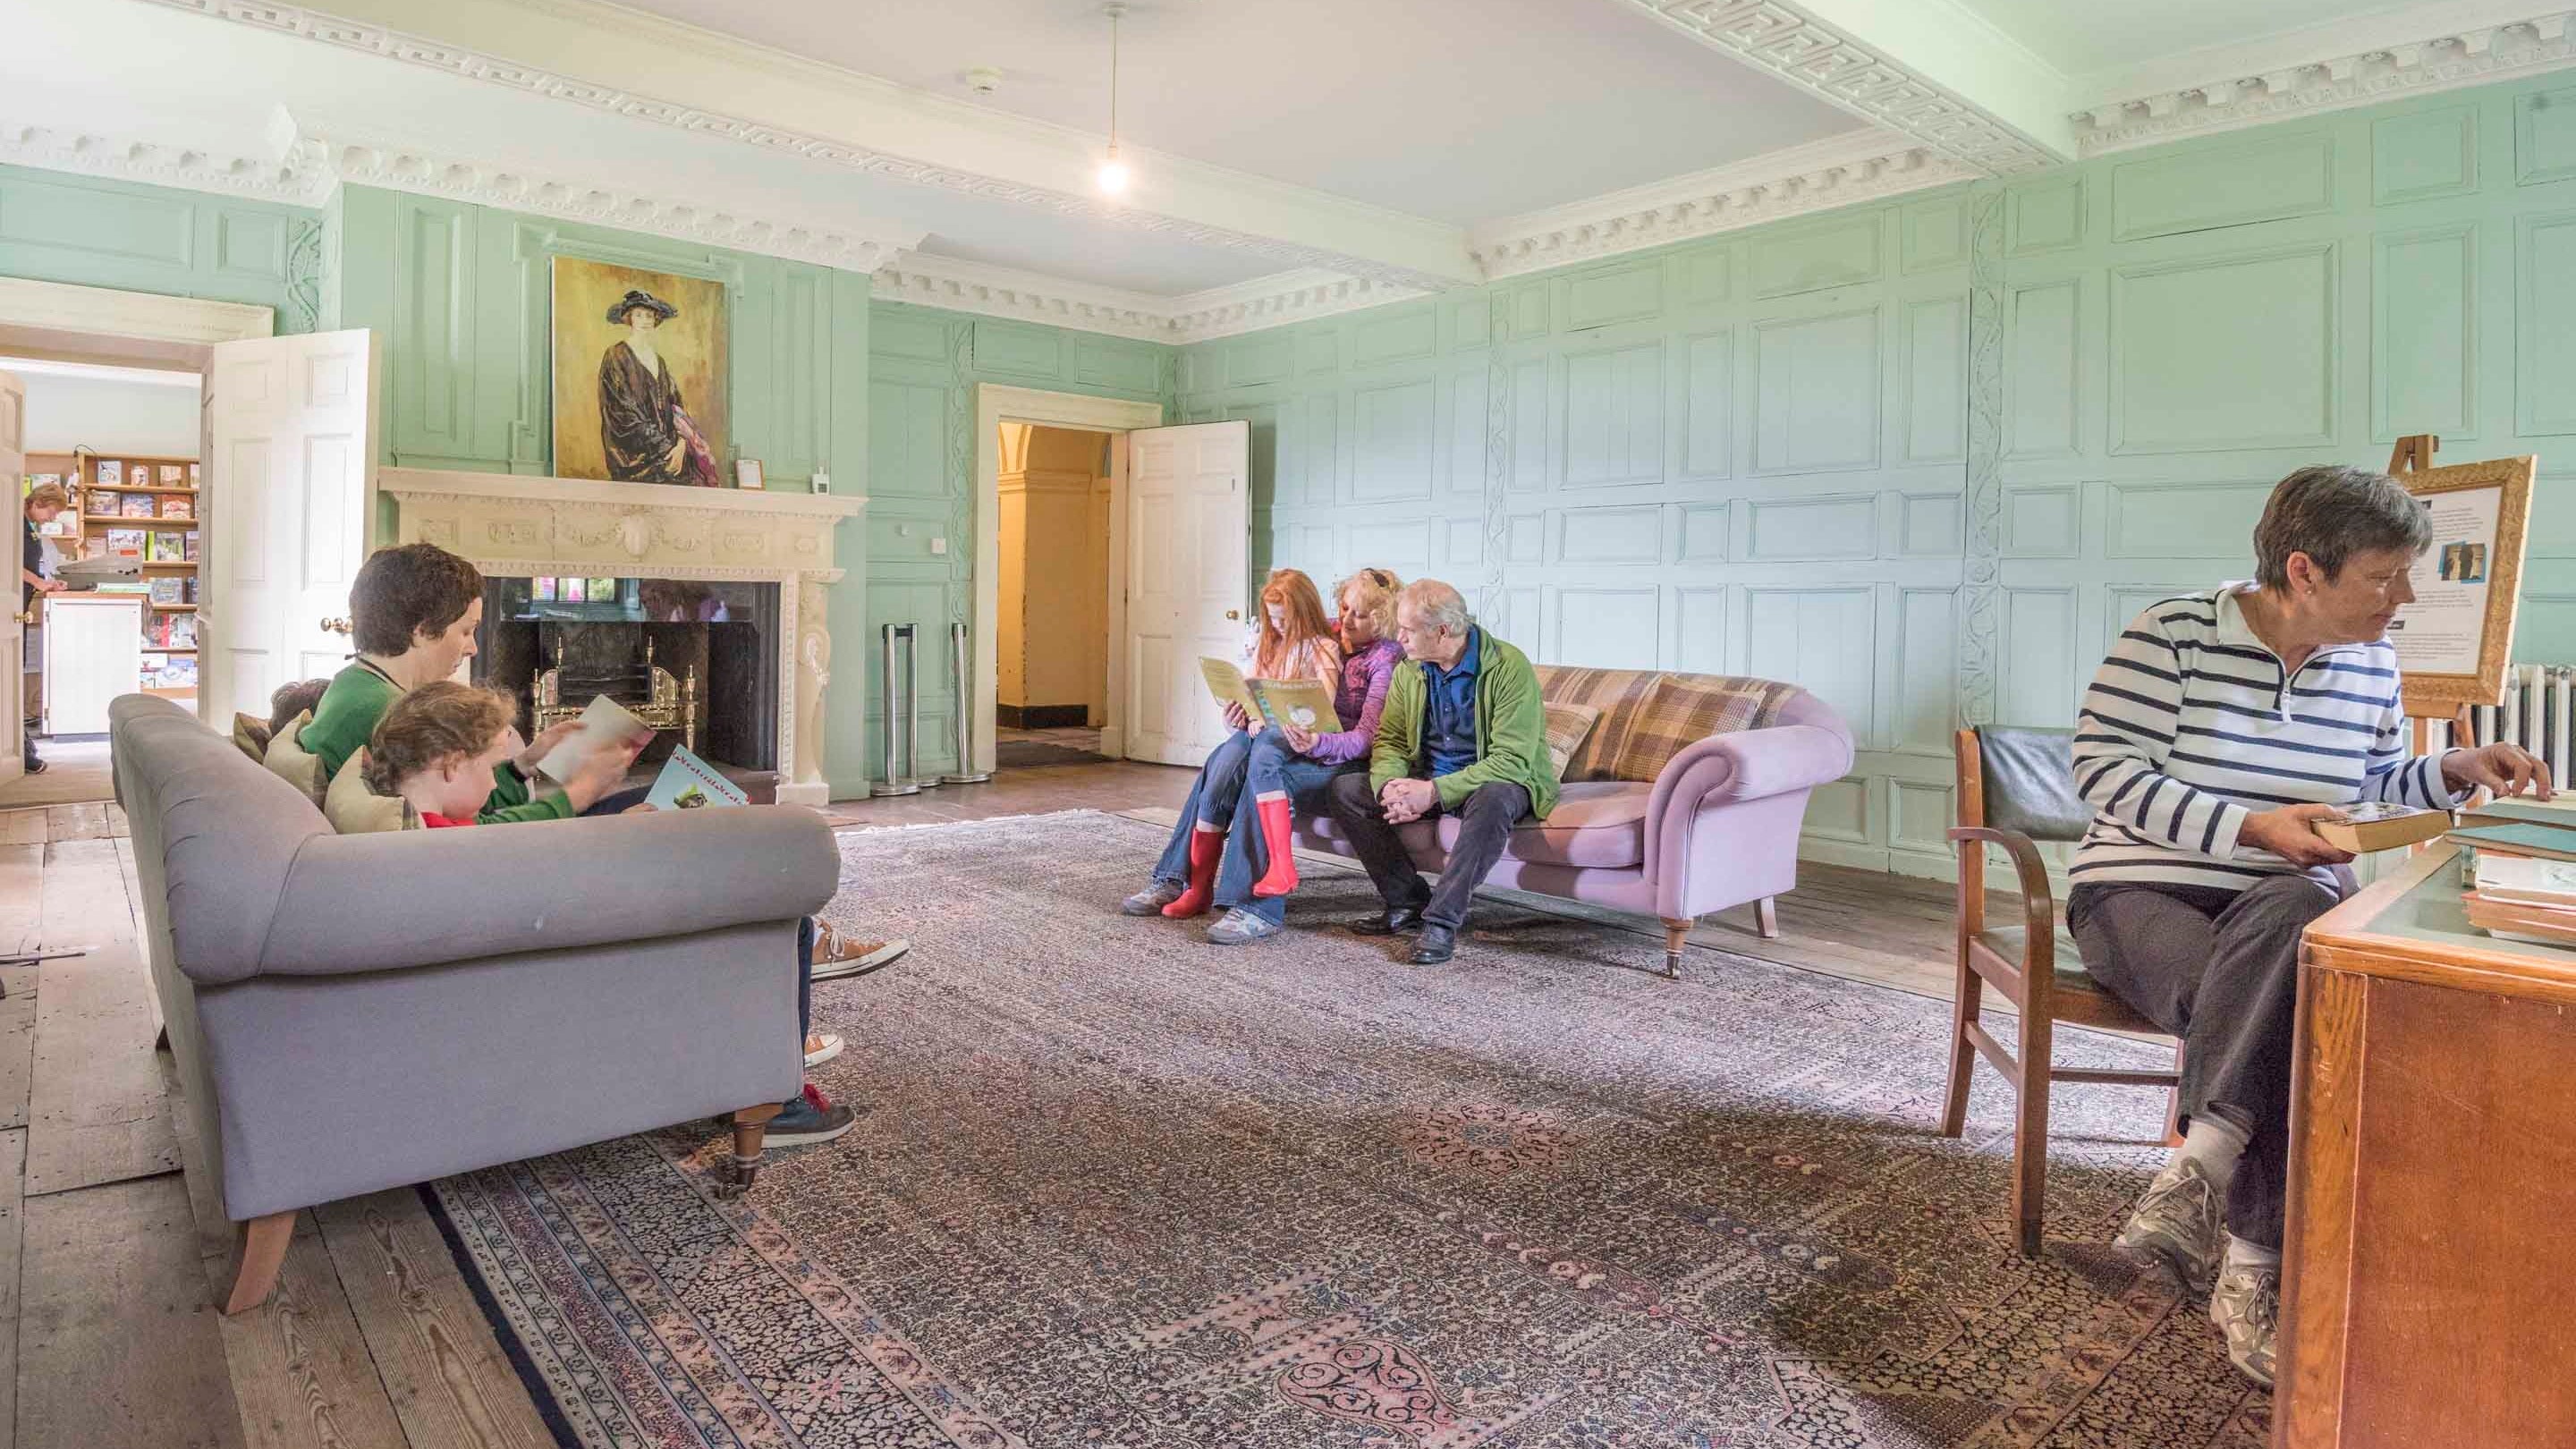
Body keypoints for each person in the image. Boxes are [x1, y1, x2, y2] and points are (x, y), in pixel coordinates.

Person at [2067, 464, 2549, 1387]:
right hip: (2139, 890)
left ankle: (2199, 1169)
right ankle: (2253, 1272)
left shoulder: (2371, 663)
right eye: (2383, 577)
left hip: (2278, 901)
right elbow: (2102, 772)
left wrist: (2453, 769)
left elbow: (2368, 788)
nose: (2402, 599)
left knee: (2299, 925)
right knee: (2294, 1000)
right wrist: (2249, 827)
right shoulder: (2172, 636)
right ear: (2304, 571)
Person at [359, 679, 858, 1145]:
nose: (493, 784)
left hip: (568, 906)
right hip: (589, 930)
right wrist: (617, 833)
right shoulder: (458, 850)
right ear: (449, 765)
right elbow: (541, 868)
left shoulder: (429, 826)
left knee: (672, 810)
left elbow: (506, 830)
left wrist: (553, 786)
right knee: (786, 922)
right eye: (488, 768)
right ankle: (779, 1100)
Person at [1326, 579, 1557, 966]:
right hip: (1429, 777)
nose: (1398, 637)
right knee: (1347, 790)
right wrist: (1390, 790)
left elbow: (1511, 759)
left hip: (1494, 779)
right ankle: (1407, 901)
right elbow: (1392, 741)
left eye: (1408, 630)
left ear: (1442, 631)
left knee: (1496, 796)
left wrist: (1432, 793)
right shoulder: (1410, 670)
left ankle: (1441, 923)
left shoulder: (1507, 666)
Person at [1196, 569, 1407, 945]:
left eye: (1358, 615)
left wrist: (1316, 745)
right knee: (1231, 754)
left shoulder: (1385, 660)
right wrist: (1242, 716)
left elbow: (1365, 740)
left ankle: (1258, 907)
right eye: (1343, 608)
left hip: (1346, 761)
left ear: (1382, 620)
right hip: (1303, 746)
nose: (1345, 619)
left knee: (1261, 768)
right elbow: (1292, 621)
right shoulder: (1330, 633)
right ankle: (1179, 878)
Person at [1123, 568, 1342, 920]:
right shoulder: (1268, 646)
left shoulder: (1324, 650)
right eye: (1274, 620)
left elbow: (1322, 712)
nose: (1280, 627)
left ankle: (1188, 882)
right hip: (1257, 737)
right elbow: (1247, 700)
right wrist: (1237, 714)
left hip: (1294, 744)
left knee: (1235, 759)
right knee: (1224, 761)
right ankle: (1196, 884)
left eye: (1286, 620)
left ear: (1305, 612)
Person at [599, 290, 721, 485]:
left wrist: (681, 444)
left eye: (649, 315)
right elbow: (623, 414)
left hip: (671, 453)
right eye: (639, 315)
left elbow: (677, 408)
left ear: (656, 320)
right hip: (634, 458)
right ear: (629, 318)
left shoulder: (659, 362)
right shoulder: (616, 356)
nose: (645, 320)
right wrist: (666, 449)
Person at [20, 482, 67, 775]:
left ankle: (21, 746)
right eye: (52, 510)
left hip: (21, 605)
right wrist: (38, 582)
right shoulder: (14, 522)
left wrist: (46, 581)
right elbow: (7, 561)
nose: (53, 517)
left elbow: (29, 565)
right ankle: (20, 750)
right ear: (40, 501)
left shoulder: (31, 526)